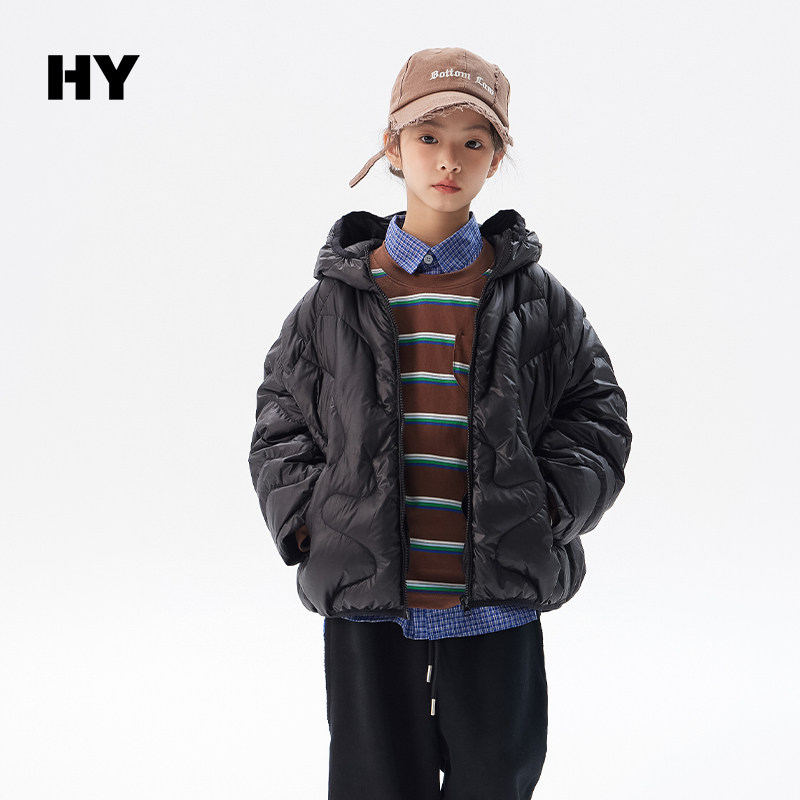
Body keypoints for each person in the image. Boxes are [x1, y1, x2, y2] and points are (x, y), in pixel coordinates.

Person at [249, 46, 631, 800]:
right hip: (368, 593)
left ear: (496, 158)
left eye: (472, 141)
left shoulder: (537, 299)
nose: (448, 159)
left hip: (495, 592)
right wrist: (308, 523)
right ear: (392, 147)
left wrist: (546, 511)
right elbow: (280, 420)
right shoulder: (334, 300)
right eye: (427, 136)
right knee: (374, 782)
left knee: (498, 775)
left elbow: (597, 415)